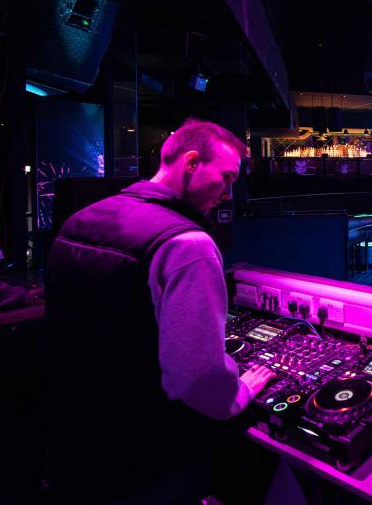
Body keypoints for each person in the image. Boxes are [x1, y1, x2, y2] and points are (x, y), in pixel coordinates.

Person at [44, 118, 275, 504]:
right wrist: (239, 392)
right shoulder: (187, 244)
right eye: (226, 178)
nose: (228, 193)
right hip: (145, 459)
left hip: (72, 440)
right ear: (190, 163)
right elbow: (197, 378)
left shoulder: (80, 220)